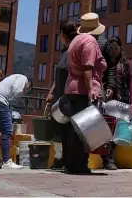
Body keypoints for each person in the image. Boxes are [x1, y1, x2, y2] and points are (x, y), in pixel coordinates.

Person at [64, 13, 107, 174]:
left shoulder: (75, 40)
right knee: (84, 129)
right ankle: (79, 164)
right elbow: (88, 68)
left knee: (74, 129)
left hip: (72, 88)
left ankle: (71, 163)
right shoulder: (90, 41)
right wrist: (90, 90)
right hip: (83, 90)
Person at [45, 20, 78, 169]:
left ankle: (65, 159)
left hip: (67, 98)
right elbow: (58, 76)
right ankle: (60, 158)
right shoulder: (64, 52)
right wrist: (51, 92)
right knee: (58, 131)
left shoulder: (72, 50)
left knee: (65, 131)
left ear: (62, 35)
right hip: (59, 99)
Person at [101, 36, 132, 170]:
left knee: (118, 130)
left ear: (121, 48)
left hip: (122, 100)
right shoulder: (107, 62)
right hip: (108, 100)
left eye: (116, 48)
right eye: (112, 49)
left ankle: (111, 157)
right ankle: (107, 159)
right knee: (108, 129)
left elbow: (131, 84)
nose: (114, 51)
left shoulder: (126, 63)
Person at [0, 74, 30, 169]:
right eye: (26, 91)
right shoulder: (24, 78)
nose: (24, 93)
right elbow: (17, 91)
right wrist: (10, 106)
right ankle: (6, 161)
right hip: (0, 102)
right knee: (7, 131)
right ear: (28, 84)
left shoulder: (10, 79)